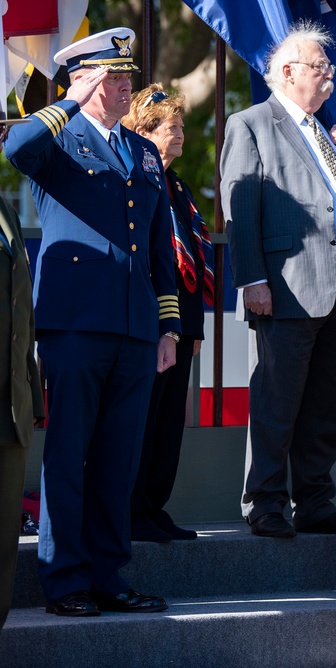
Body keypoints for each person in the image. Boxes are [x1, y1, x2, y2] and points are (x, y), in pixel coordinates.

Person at [3, 27, 180, 616]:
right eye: (112, 75)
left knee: (117, 458)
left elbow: (160, 246)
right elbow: (17, 149)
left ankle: (109, 575)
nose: (125, 84)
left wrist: (168, 325)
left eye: (127, 74)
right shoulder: (59, 136)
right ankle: (65, 581)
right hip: (76, 323)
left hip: (134, 326)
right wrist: (70, 100)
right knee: (71, 453)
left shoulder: (144, 151)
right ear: (83, 77)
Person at [221, 21, 336, 539]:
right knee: (276, 402)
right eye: (320, 67)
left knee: (326, 404)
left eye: (329, 67)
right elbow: (240, 210)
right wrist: (251, 280)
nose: (330, 76)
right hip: (283, 288)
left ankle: (316, 501)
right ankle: (264, 502)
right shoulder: (252, 123)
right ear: (287, 72)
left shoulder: (327, 132)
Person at [121, 84, 213, 543]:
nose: (181, 135)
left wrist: (190, 327)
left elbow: (190, 258)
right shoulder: (139, 181)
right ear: (144, 131)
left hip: (179, 325)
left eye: (180, 126)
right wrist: (167, 325)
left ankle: (154, 506)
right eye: (171, 128)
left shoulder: (176, 184)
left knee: (170, 420)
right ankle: (132, 509)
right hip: (151, 324)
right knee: (146, 417)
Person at [0, 183, 45, 629]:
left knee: (3, 551)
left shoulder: (4, 210)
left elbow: (22, 314)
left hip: (9, 409)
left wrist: (29, 388)